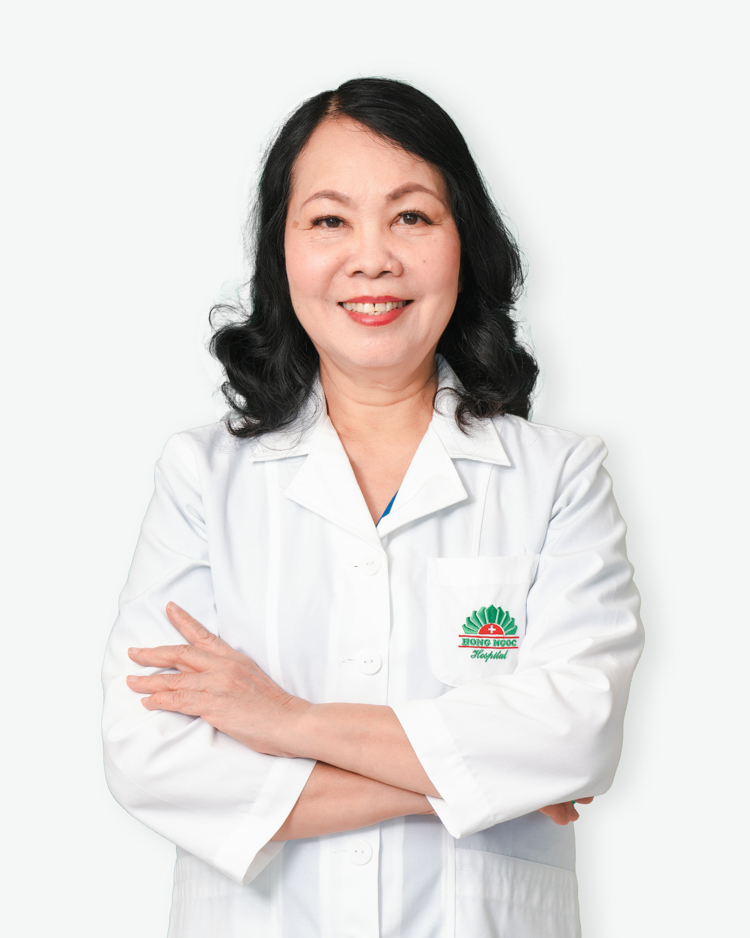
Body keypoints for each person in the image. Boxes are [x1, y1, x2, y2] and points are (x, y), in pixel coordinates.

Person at [102, 77, 643, 938]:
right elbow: (152, 759)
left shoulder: (557, 478)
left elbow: (574, 739)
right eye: (329, 220)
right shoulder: (202, 478)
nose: (372, 258)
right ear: (281, 252)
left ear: (465, 243)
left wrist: (287, 723)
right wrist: (462, 785)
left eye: (412, 216)